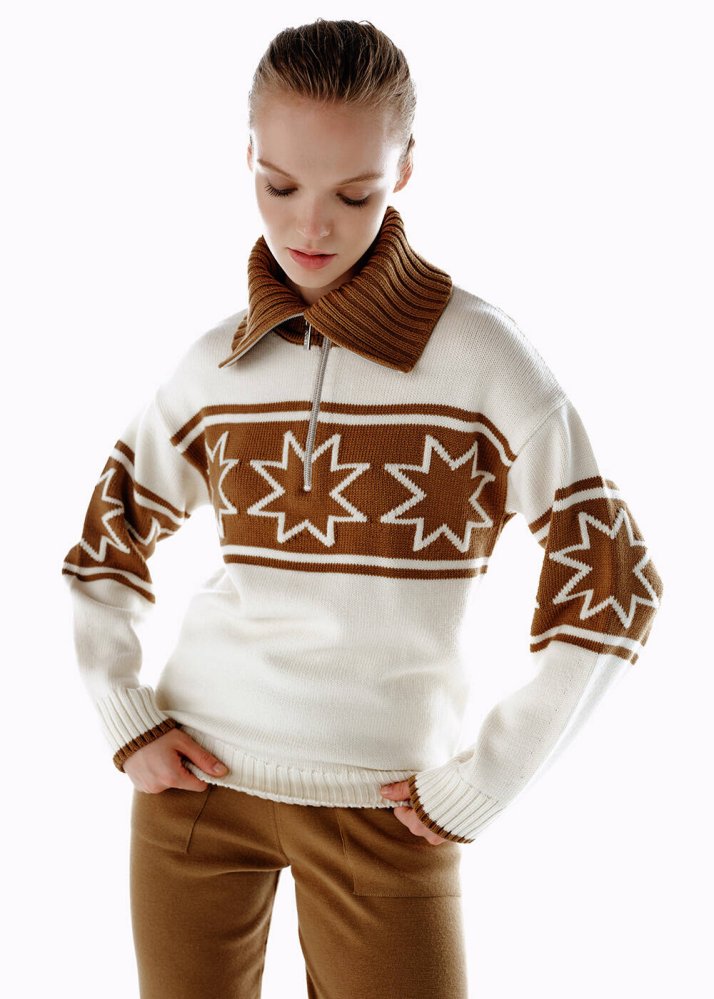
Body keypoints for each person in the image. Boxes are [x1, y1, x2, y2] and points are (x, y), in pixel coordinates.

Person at [61, 17, 664, 999]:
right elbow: (105, 543)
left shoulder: (484, 361)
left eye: (354, 193)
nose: (311, 227)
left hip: (389, 810)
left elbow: (617, 585)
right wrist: (124, 712)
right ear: (247, 158)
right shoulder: (216, 363)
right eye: (279, 186)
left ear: (405, 170)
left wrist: (487, 779)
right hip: (195, 790)